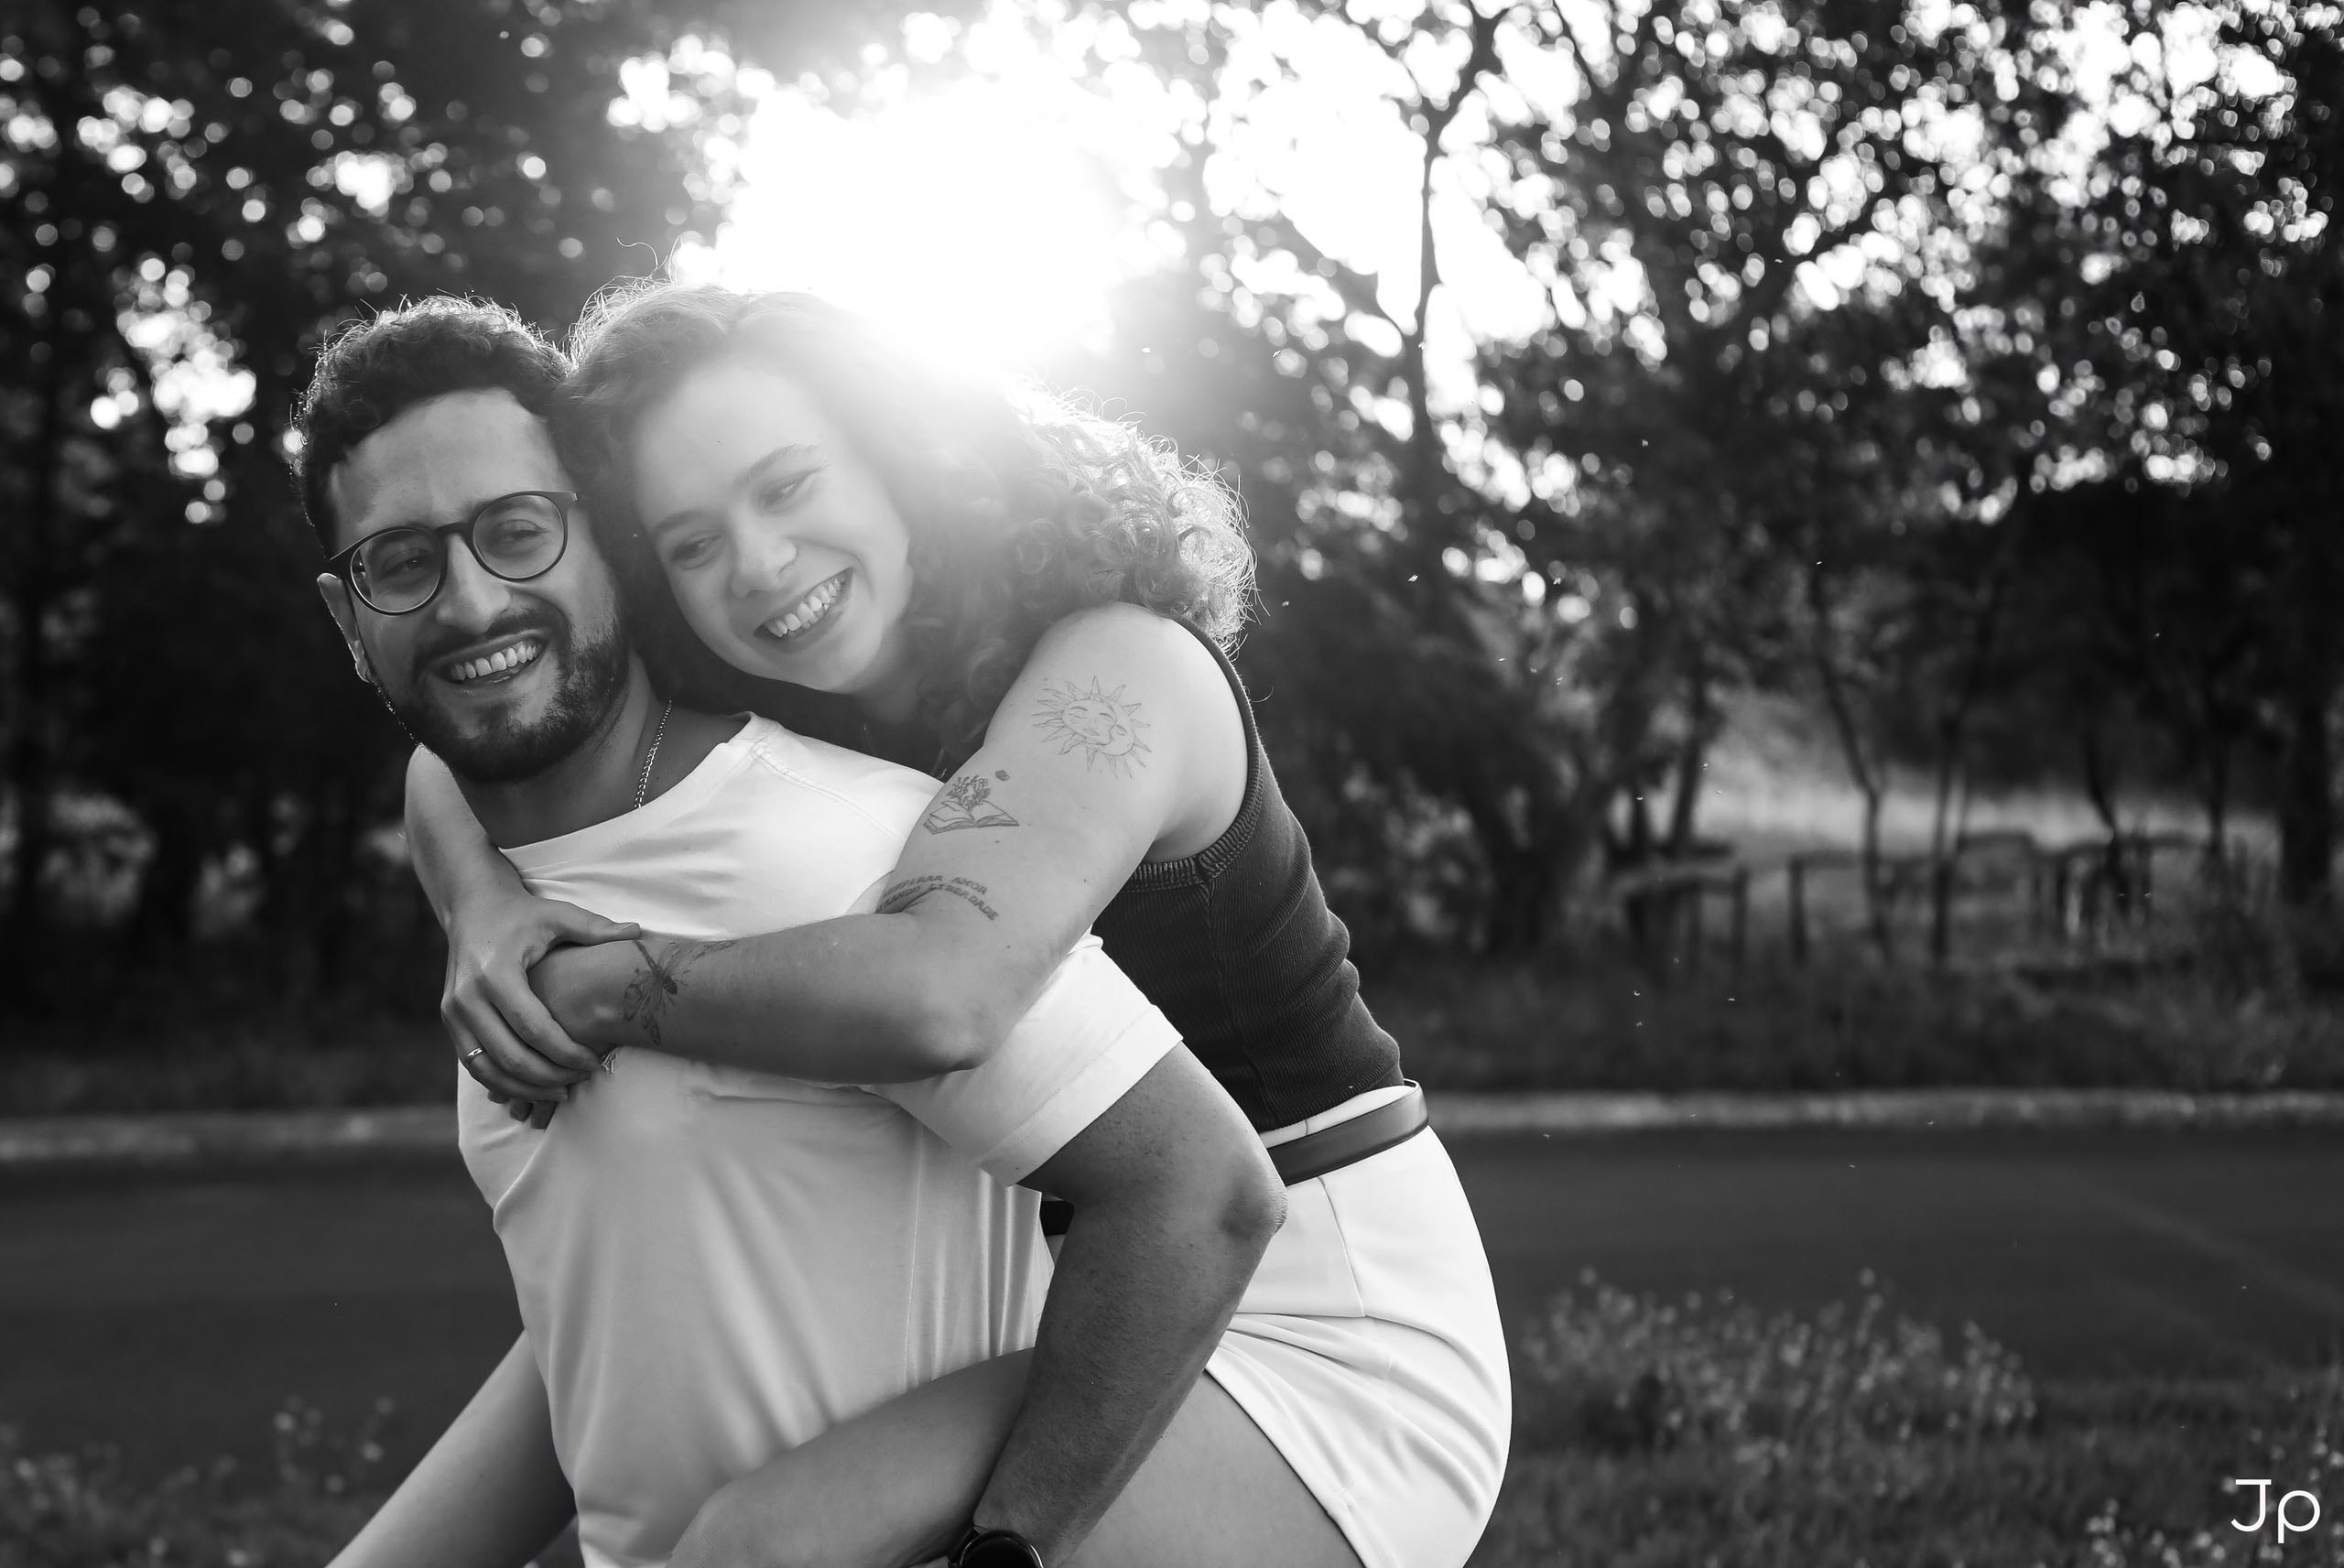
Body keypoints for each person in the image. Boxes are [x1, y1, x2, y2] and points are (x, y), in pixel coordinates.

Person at [407, 286, 1512, 1568]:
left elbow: (948, 990)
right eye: (692, 545)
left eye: (789, 485)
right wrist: (480, 901)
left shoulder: (1120, 665)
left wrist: (604, 989)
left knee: (763, 1547)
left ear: (902, 455)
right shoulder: (808, 719)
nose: (760, 566)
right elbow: (463, 752)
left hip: (1323, 1319)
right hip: (1095, 1290)